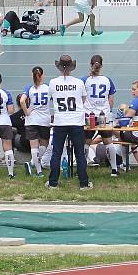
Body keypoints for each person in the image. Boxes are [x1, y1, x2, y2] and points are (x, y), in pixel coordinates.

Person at [47, 55, 92, 190]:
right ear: (72, 67)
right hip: (76, 121)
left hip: (60, 121)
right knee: (79, 153)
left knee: (57, 153)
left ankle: (53, 182)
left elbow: (50, 98)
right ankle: (83, 183)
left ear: (59, 67)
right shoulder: (79, 82)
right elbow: (83, 99)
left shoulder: (53, 83)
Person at [83, 55, 119, 176]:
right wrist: (108, 112)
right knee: (108, 142)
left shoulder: (85, 80)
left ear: (90, 64)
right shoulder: (107, 80)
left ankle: (82, 169)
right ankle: (114, 169)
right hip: (104, 115)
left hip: (90, 116)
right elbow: (111, 100)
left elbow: (81, 98)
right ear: (101, 66)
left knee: (86, 142)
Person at [21, 66, 51, 177]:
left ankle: (37, 169)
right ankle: (33, 164)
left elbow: (22, 100)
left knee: (34, 147)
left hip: (32, 120)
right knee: (44, 144)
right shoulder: (48, 88)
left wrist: (27, 112)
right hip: (44, 120)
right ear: (42, 75)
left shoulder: (29, 87)